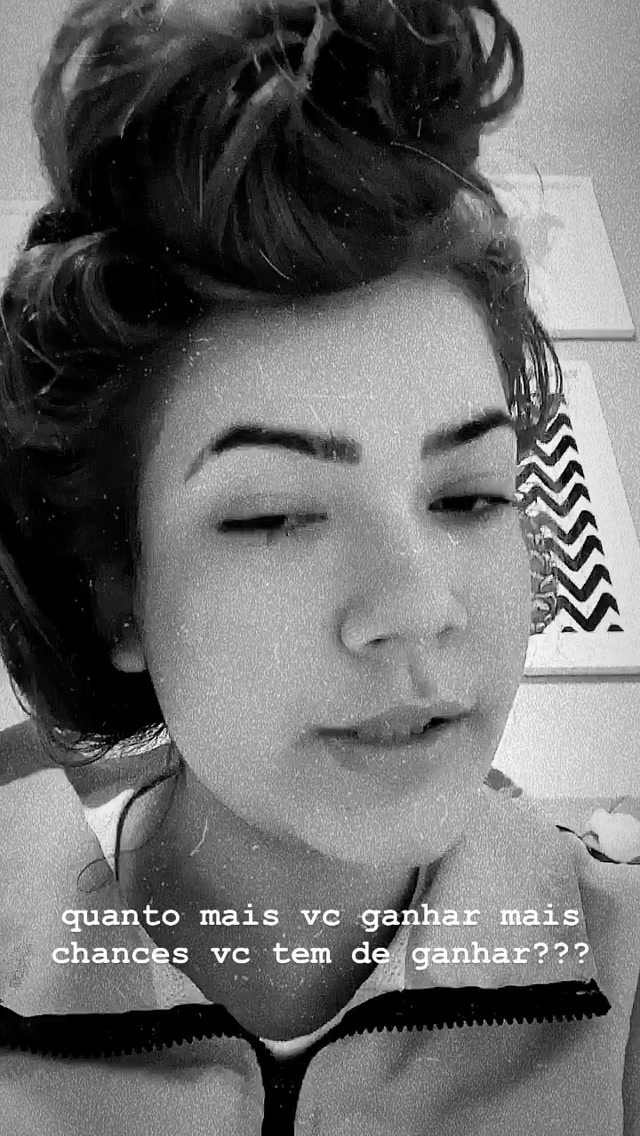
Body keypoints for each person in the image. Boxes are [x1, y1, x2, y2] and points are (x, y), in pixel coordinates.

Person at [0, 0, 637, 1133]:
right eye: (277, 515)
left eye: (469, 495)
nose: (417, 607)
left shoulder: (621, 980)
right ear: (120, 596)